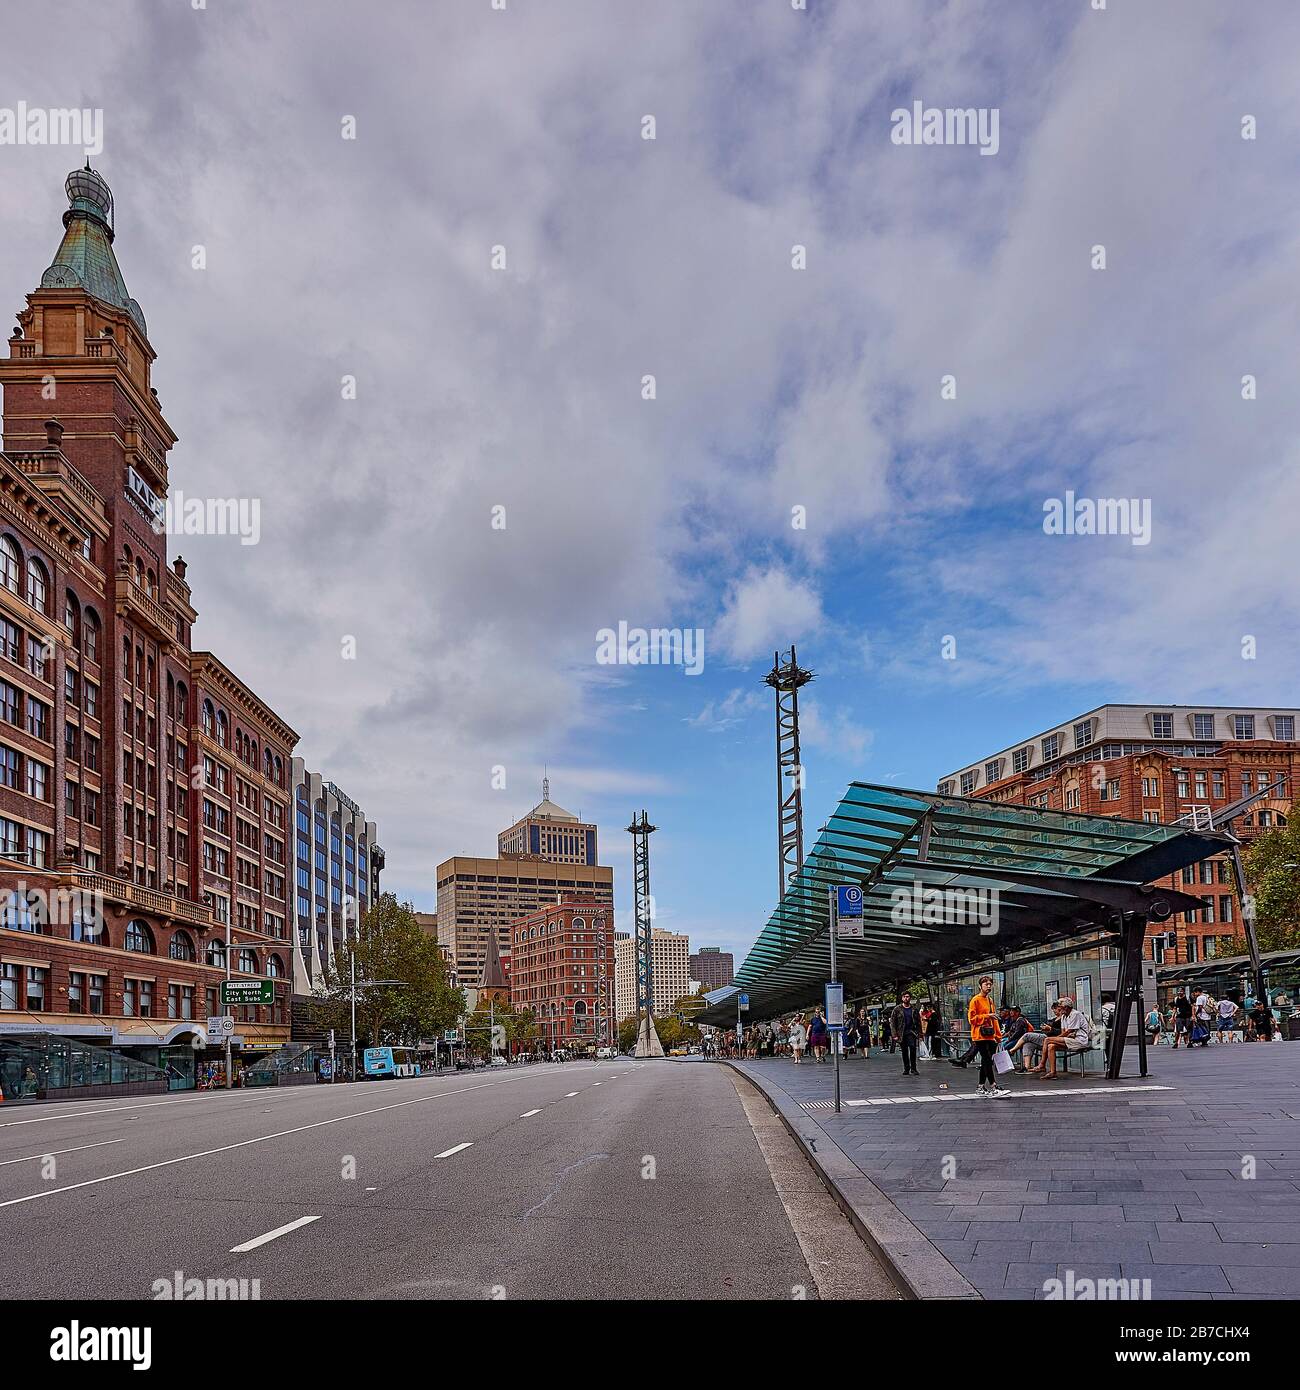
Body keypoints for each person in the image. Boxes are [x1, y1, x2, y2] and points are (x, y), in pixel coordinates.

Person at [967, 976, 1008, 1097]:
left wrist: (998, 1035)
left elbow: (994, 1019)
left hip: (990, 1035)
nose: (989, 986)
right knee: (986, 1060)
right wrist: (987, 1016)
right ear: (980, 986)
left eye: (990, 984)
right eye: (986, 984)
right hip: (979, 1035)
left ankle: (980, 1087)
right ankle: (993, 1086)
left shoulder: (990, 1000)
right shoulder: (975, 1000)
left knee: (987, 1061)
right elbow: (972, 1019)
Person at [1035, 995, 1092, 1078]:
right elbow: (1064, 1032)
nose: (1059, 1009)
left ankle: (1042, 1064)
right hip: (1070, 1039)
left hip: (1079, 1041)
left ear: (1066, 1007)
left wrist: (1056, 1038)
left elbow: (1069, 1031)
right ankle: (1053, 1072)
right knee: (1051, 1046)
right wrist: (1058, 1038)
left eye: (1060, 1007)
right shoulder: (1064, 1017)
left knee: (1047, 1040)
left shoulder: (1075, 1014)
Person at [1009, 1004, 1058, 1072]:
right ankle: (1027, 1067)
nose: (1054, 1011)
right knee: (1028, 1044)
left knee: (1027, 1036)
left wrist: (1050, 1028)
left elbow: (1061, 1031)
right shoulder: (1054, 1019)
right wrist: (1045, 1028)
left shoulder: (1063, 1019)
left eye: (1056, 1009)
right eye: (1053, 1009)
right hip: (1046, 1036)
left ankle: (1012, 1050)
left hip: (1052, 1038)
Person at [890, 991, 923, 1076]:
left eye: (908, 996)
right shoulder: (897, 1009)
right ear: (902, 998)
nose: (906, 998)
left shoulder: (914, 1009)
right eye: (904, 996)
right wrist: (894, 1035)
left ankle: (914, 1068)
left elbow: (918, 1022)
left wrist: (920, 1034)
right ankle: (906, 1068)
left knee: (912, 1048)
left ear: (910, 998)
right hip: (901, 1033)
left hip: (911, 1032)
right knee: (904, 1051)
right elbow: (893, 1022)